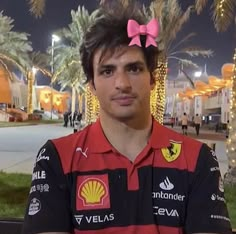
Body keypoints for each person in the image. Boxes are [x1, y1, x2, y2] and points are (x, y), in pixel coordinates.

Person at [22, 1, 232, 234]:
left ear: (152, 78)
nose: (121, 84)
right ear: (91, 84)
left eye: (133, 69)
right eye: (107, 71)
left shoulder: (198, 160)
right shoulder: (56, 159)